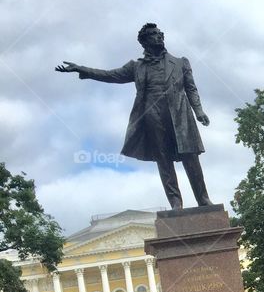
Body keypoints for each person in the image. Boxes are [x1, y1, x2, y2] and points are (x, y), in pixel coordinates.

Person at [55, 23, 213, 209]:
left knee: (191, 157)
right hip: (152, 115)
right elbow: (110, 75)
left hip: (180, 114)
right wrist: (81, 69)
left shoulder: (180, 62)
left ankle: (203, 199)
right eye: (154, 34)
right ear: (145, 41)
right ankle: (176, 204)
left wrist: (199, 110)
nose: (159, 36)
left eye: (160, 33)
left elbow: (191, 88)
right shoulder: (136, 67)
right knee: (163, 160)